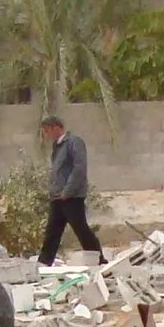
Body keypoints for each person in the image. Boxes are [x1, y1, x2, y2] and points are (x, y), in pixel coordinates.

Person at [38, 112, 103, 268]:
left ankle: (99, 259)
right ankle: (44, 262)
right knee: (52, 231)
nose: (46, 135)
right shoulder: (57, 147)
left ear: (55, 128)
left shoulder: (74, 142)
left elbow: (79, 168)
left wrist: (68, 190)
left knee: (81, 229)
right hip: (58, 197)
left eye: (47, 131)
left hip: (71, 196)